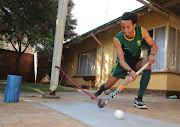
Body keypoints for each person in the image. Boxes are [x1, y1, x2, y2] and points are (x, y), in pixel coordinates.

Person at [93, 12, 158, 109]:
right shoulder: (117, 39)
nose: (125, 30)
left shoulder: (142, 31)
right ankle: (99, 91)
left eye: (128, 27)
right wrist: (130, 71)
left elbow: (154, 46)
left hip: (136, 61)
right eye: (123, 27)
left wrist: (152, 54)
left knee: (147, 65)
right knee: (107, 85)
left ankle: (139, 99)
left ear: (134, 25)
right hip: (122, 63)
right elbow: (121, 60)